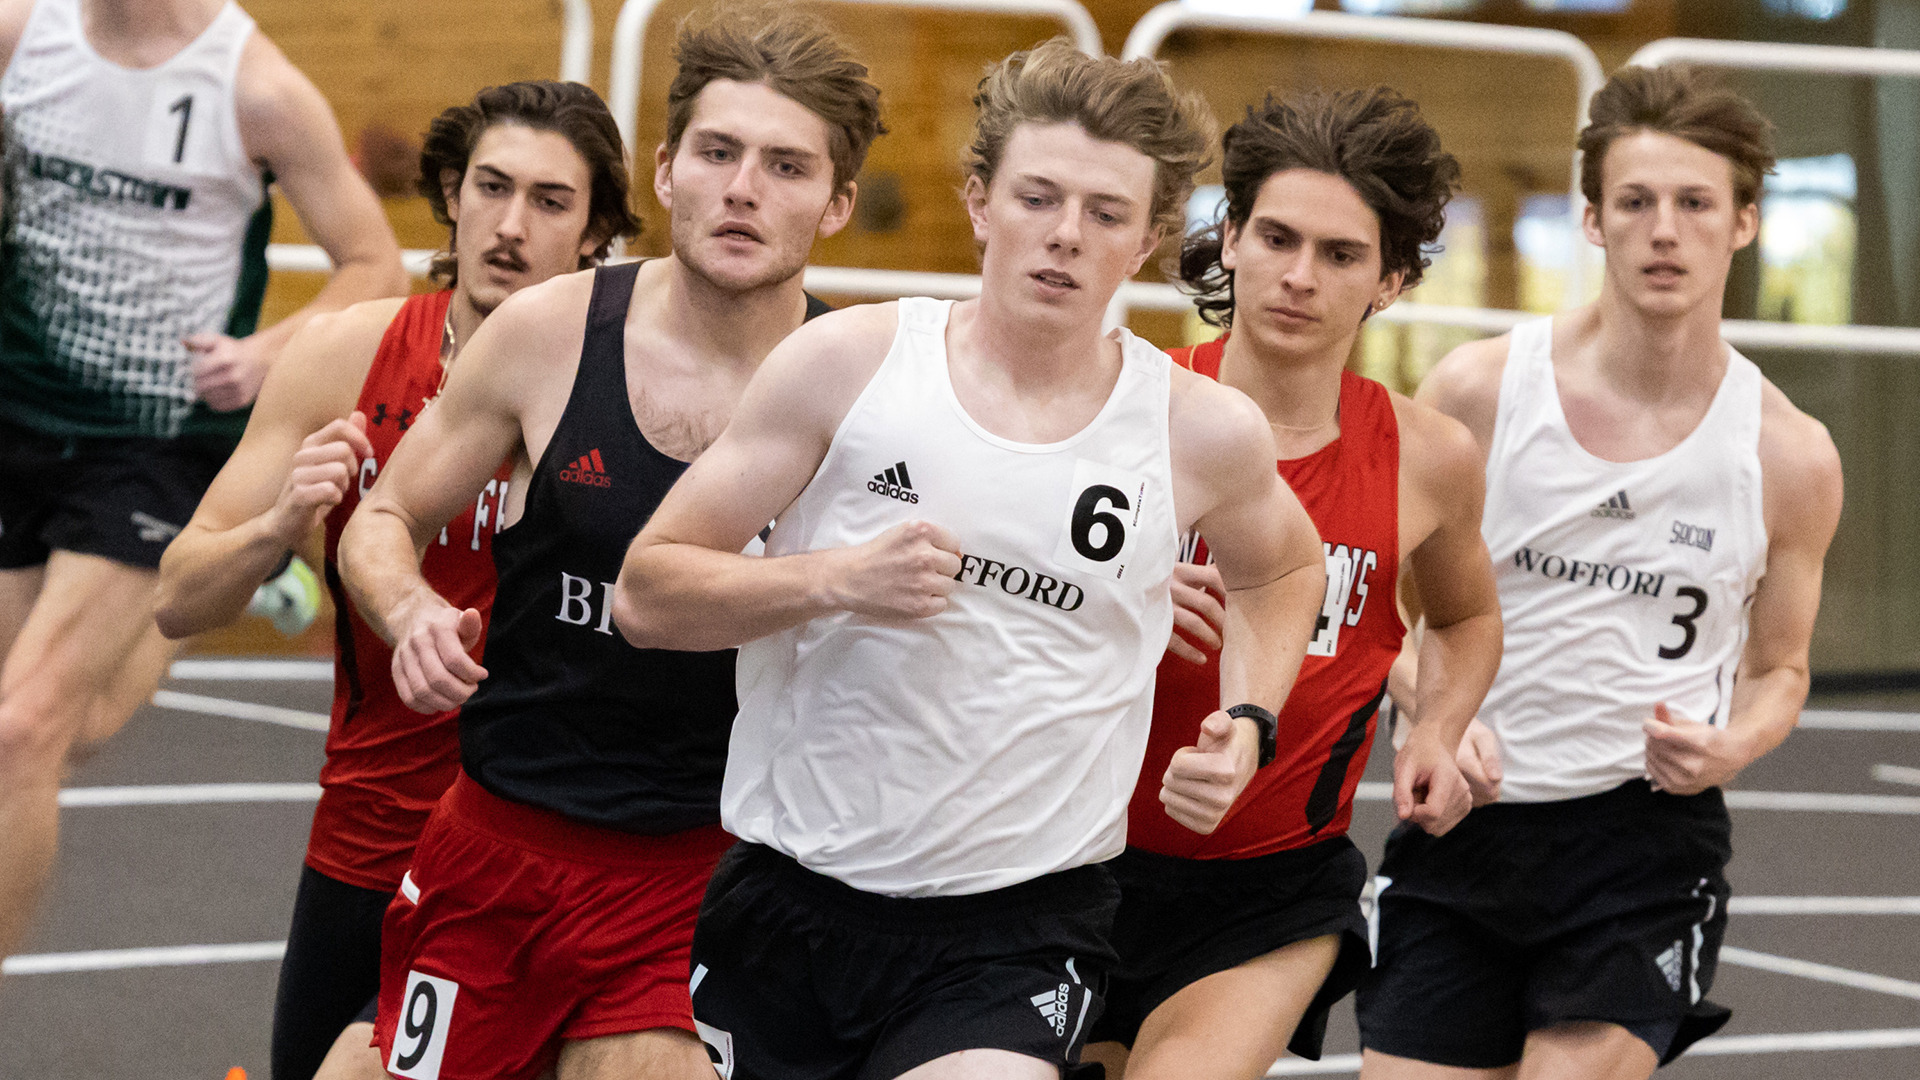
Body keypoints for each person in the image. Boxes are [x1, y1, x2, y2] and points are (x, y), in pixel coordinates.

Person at [614, 40, 1329, 1080]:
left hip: (1020, 931)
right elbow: (647, 591)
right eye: (1038, 198)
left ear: (1151, 240)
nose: (1065, 238)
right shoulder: (845, 364)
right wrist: (835, 580)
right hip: (794, 901)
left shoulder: (1198, 429)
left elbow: (1282, 570)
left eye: (1105, 214)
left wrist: (1251, 717)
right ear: (982, 201)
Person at [335, 10, 882, 1079]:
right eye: (719, 154)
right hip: (500, 842)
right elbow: (382, 522)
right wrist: (409, 613)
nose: (743, 189)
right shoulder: (546, 334)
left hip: (707, 864)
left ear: (839, 202)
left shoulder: (868, 390)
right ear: (669, 170)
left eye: (785, 166)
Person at [1356, 65, 1843, 1080]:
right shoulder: (1481, 392)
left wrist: (1728, 748)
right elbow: (1386, 614)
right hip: (1464, 828)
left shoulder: (1788, 455)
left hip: (1641, 848)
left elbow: (1780, 669)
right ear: (1592, 220)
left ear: (1743, 222)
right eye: (1636, 202)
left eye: (1695, 203)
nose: (1665, 229)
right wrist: (1438, 717)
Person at [153, 80, 638, 1080]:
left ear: (596, 233)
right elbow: (177, 597)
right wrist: (280, 528)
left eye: (551, 202)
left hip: (545, 846)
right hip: (369, 835)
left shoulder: (629, 390)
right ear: (450, 196)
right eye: (491, 187)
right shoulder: (347, 354)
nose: (511, 226)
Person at [1082, 87, 1503, 1080]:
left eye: (1341, 254)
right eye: (1275, 237)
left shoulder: (1428, 458)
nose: (1299, 276)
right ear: (1227, 238)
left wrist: (1437, 728)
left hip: (1270, 890)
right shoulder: (1118, 411)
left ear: (1392, 279)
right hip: (1073, 860)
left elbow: (1469, 613)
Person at [0, 0, 405, 967]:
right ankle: (224, 574)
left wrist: (265, 355)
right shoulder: (21, 37)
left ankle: (207, 560)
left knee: (23, 729)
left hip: (156, 439)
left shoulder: (254, 88)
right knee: (72, 727)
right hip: (17, 418)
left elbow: (375, 262)